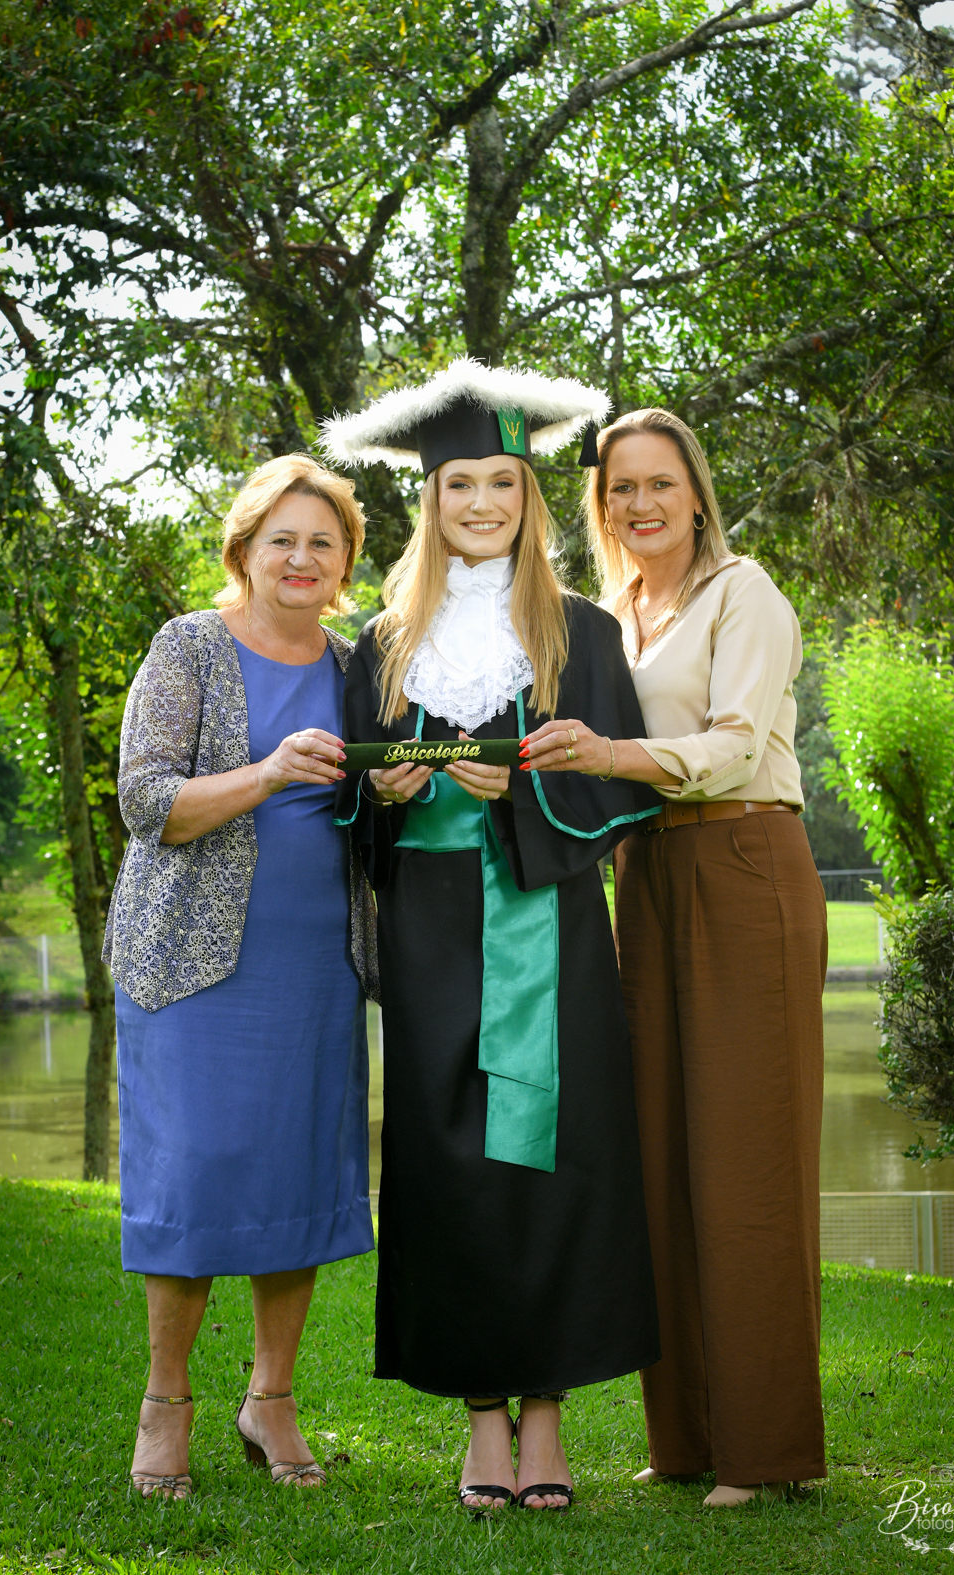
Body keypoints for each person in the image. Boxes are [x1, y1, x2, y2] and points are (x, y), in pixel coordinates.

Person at [322, 360, 661, 1514]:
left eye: (501, 483)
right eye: (458, 483)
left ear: (528, 496)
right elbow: (351, 801)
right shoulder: (382, 643)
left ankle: (548, 1417)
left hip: (547, 918)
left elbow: (621, 795)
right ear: (431, 498)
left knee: (552, 1154)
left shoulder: (584, 633)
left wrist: (521, 789)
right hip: (428, 931)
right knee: (449, 1159)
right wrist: (390, 794)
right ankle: (481, 1419)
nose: (480, 502)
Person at [522, 409, 828, 1505]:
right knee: (661, 1157)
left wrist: (610, 751)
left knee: (748, 1160)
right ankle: (687, 1437)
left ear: (696, 492)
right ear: (601, 507)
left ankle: (765, 1450)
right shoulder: (611, 618)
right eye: (620, 489)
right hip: (647, 875)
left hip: (745, 861)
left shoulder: (746, 593)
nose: (640, 503)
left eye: (659, 483)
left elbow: (737, 743)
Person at [104, 453, 379, 1499]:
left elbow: (372, 804)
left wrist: (393, 787)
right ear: (245, 551)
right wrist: (266, 773)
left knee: (294, 1171)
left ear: (346, 562)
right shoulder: (189, 646)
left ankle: (272, 1399)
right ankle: (166, 1400)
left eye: (323, 543)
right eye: (283, 540)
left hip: (317, 962)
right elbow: (146, 802)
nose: (302, 559)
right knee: (195, 1170)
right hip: (188, 961)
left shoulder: (358, 665)